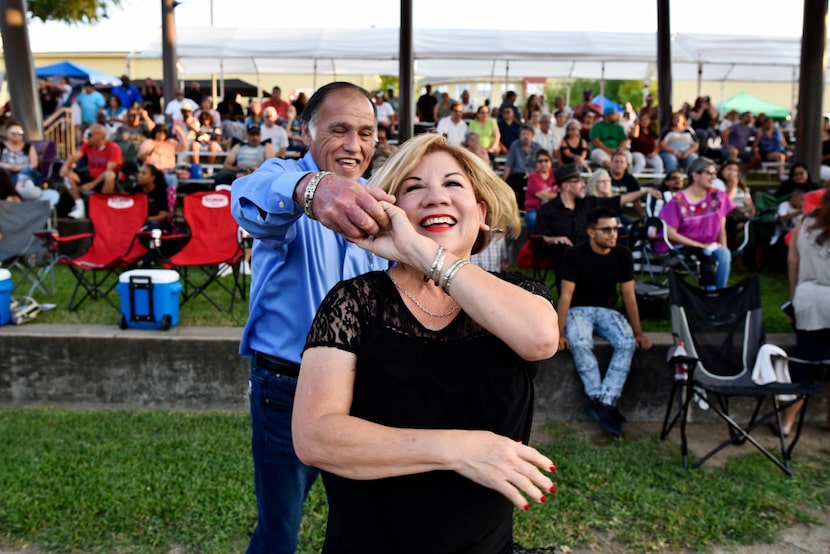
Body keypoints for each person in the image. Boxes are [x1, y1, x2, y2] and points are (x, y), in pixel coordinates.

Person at [292, 132, 559, 552]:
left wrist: (429, 258)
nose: (436, 197)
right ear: (389, 211)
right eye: (414, 188)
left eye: (453, 185)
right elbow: (314, 437)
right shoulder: (353, 301)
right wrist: (462, 449)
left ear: (482, 213)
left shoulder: (519, 296)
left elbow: (541, 340)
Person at [229, 82, 395, 554]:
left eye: (365, 133)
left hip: (366, 387)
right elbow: (248, 197)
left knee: (365, 525)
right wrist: (312, 188)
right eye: (339, 130)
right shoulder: (286, 178)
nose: (353, 145)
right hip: (287, 388)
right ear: (307, 131)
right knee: (279, 531)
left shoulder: (377, 198)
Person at [557, 208, 652, 437]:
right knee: (579, 342)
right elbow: (566, 295)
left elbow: (629, 296)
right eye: (607, 229)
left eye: (615, 229)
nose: (613, 234)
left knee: (627, 343)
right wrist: (558, 333)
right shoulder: (574, 255)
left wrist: (638, 333)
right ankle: (601, 400)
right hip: (578, 310)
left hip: (609, 311)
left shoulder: (623, 254)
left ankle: (604, 402)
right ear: (591, 232)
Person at [536, 163, 660, 292]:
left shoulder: (588, 203)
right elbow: (540, 235)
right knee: (562, 248)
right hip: (564, 255)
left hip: (591, 251)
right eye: (578, 181)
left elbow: (617, 201)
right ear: (566, 186)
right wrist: (555, 239)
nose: (583, 185)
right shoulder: (548, 209)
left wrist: (644, 191)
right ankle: (570, 297)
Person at [781, 189, 830, 436]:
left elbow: (793, 262)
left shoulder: (805, 221)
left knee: (804, 363)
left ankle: (786, 423)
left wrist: (795, 298)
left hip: (808, 299)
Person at [658, 158, 734, 290]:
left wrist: (723, 246)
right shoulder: (678, 201)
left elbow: (722, 224)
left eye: (715, 174)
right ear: (695, 175)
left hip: (709, 244)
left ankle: (720, 294)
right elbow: (670, 232)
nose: (714, 177)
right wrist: (698, 245)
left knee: (724, 254)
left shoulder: (717, 196)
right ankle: (709, 295)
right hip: (682, 246)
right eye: (709, 173)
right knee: (705, 256)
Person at [59, 123, 123, 219]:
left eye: (90, 135)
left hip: (103, 180)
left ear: (100, 136)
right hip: (89, 176)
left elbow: (109, 170)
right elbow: (75, 156)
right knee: (68, 176)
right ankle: (79, 206)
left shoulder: (113, 148)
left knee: (110, 175)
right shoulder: (87, 146)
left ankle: (103, 209)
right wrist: (65, 167)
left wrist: (92, 184)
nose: (87, 137)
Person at [502, 123, 542, 207]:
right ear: (520, 135)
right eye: (523, 134)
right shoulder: (514, 145)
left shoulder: (538, 147)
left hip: (533, 175)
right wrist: (503, 182)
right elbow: (508, 165)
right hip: (517, 174)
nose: (526, 136)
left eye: (528, 134)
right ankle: (517, 209)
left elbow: (541, 165)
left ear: (532, 136)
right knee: (512, 188)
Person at [524, 148, 559, 231]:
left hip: (554, 209)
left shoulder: (556, 174)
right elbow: (543, 195)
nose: (543, 163)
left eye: (546, 160)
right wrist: (559, 196)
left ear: (551, 162)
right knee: (535, 220)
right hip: (534, 210)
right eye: (540, 161)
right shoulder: (533, 176)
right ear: (536, 163)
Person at [129, 163, 170, 231]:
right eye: (139, 173)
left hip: (154, 222)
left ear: (152, 177)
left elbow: (162, 216)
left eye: (143, 173)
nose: (140, 176)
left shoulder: (160, 192)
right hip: (136, 222)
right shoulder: (135, 190)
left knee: (153, 224)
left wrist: (144, 219)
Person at [1, 121, 41, 186]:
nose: (17, 135)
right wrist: (8, 166)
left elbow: (33, 164)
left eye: (20, 132)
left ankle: (18, 186)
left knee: (27, 171)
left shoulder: (29, 147)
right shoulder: (1, 146)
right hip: (7, 174)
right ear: (6, 133)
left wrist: (19, 168)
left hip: (26, 172)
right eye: (13, 132)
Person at [629, 111, 664, 177]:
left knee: (658, 162)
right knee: (641, 162)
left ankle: (657, 183)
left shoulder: (653, 134)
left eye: (646, 119)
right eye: (642, 120)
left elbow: (657, 146)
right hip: (636, 153)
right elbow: (634, 135)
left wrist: (654, 152)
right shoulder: (636, 130)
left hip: (649, 154)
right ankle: (633, 180)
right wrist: (636, 124)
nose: (644, 121)